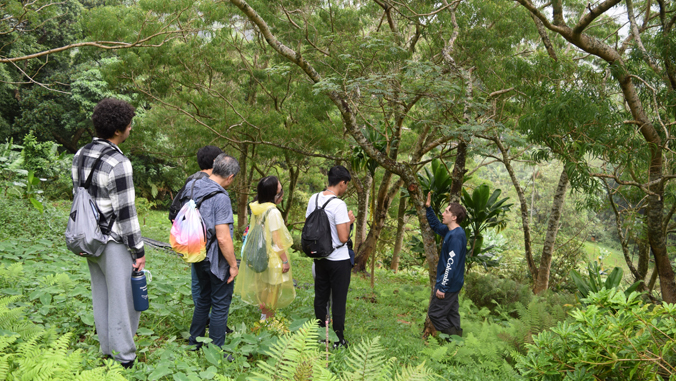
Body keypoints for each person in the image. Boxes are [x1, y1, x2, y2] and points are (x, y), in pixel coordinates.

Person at [71, 98, 145, 368]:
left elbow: (80, 196)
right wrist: (138, 251)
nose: (130, 129)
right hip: (113, 242)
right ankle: (124, 357)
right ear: (118, 130)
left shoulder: (81, 153)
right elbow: (126, 213)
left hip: (89, 237)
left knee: (101, 294)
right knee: (123, 300)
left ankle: (107, 348)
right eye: (129, 125)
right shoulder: (118, 162)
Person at [187, 154, 240, 354]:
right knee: (220, 303)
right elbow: (223, 237)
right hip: (216, 259)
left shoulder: (193, 186)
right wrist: (233, 265)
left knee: (203, 299)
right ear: (231, 177)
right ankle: (215, 351)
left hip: (197, 253)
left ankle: (195, 343)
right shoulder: (221, 197)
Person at [306, 165, 355, 349]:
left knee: (320, 297)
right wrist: (350, 223)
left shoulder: (314, 198)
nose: (346, 188)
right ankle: (338, 339)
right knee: (338, 300)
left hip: (319, 257)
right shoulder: (339, 204)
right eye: (346, 184)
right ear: (342, 183)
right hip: (338, 260)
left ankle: (321, 334)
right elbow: (343, 237)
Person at [235, 176, 295, 320]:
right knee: (273, 289)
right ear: (274, 191)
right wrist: (285, 261)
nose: (280, 186)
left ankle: (263, 315)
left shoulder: (257, 208)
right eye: (279, 185)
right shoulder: (273, 212)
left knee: (264, 287)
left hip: (261, 255)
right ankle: (268, 319)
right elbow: (277, 239)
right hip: (273, 257)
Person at [425, 191, 467, 337]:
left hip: (449, 284)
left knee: (434, 313)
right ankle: (457, 347)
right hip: (455, 283)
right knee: (452, 314)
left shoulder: (456, 237)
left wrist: (443, 287)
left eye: (446, 211)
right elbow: (436, 226)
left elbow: (451, 264)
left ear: (454, 217)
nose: (443, 213)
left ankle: (453, 341)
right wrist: (429, 208)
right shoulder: (451, 231)